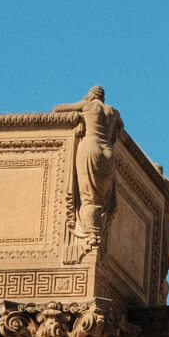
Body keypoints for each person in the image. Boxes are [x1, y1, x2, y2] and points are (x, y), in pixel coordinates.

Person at [54, 85, 123, 244]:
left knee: (89, 198)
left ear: (91, 95)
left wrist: (83, 104)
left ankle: (92, 234)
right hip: (107, 153)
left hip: (91, 149)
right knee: (100, 198)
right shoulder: (112, 111)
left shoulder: (88, 105)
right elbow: (120, 126)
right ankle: (97, 230)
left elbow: (59, 108)